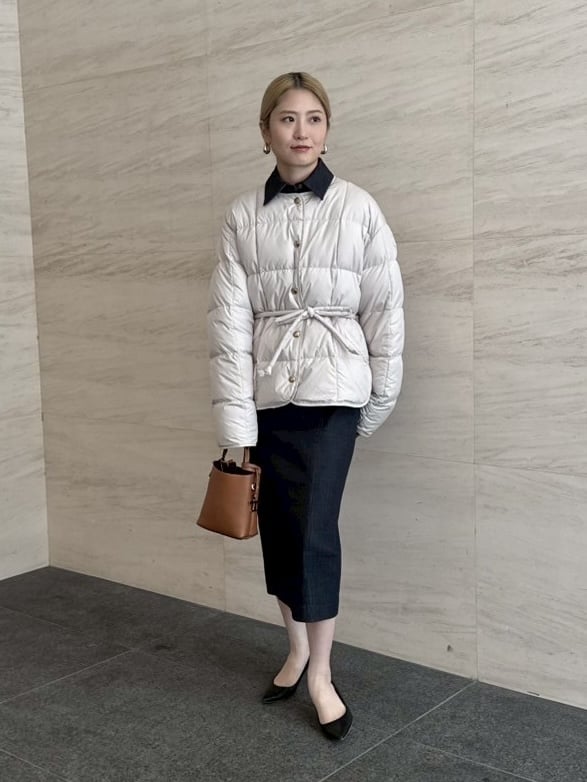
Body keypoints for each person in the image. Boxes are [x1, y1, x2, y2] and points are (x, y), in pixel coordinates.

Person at [207, 71, 404, 740]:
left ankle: (320, 673)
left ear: (327, 129)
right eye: (287, 118)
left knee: (314, 530)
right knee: (280, 527)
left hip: (333, 394)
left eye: (313, 118)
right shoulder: (243, 215)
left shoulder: (358, 208)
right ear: (265, 131)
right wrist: (237, 421)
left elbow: (384, 309)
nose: (301, 131)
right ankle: (294, 649)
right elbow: (228, 325)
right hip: (268, 393)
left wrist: (378, 397)